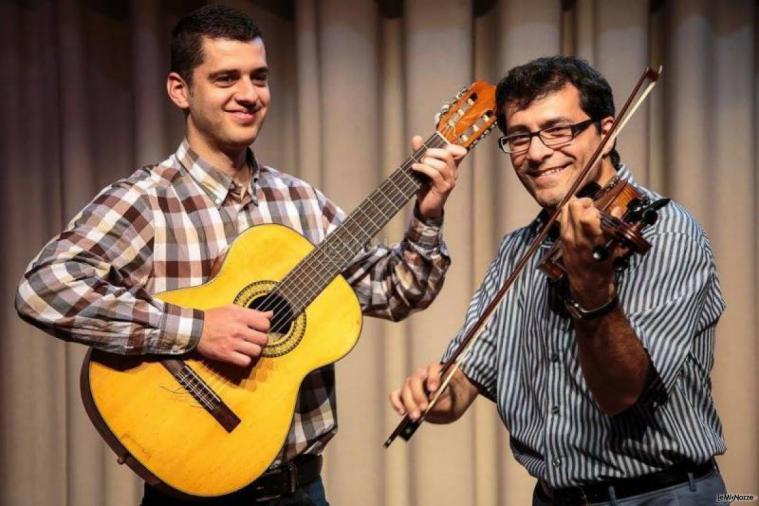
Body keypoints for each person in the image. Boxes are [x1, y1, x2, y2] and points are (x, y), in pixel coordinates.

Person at [15, 5, 466, 505]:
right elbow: (44, 289)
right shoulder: (146, 200)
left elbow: (401, 292)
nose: (249, 95)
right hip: (190, 490)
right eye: (226, 78)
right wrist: (197, 330)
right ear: (179, 90)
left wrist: (428, 213)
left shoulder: (301, 202)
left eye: (259, 77)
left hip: (302, 488)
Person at [390, 56, 728, 505]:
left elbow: (621, 393)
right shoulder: (518, 249)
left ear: (606, 133)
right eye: (519, 137)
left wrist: (591, 284)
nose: (537, 152)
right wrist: (437, 393)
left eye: (558, 130)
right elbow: (466, 379)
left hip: (660, 494)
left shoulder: (663, 231)